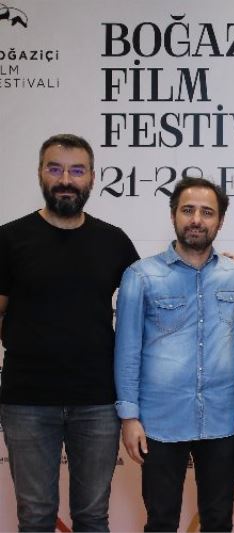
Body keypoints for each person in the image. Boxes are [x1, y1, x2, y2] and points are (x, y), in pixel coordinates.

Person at [0, 133, 139, 531]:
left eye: (77, 171)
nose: (66, 180)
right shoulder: (9, 239)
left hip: (97, 402)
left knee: (92, 517)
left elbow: (147, 308)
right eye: (55, 169)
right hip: (27, 402)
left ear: (92, 177)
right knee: (35, 516)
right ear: (40, 174)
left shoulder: (113, 241)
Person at [114, 177, 234, 532]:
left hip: (222, 419)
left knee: (219, 521)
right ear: (173, 215)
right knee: (161, 521)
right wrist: (129, 418)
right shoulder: (140, 276)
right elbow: (126, 352)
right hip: (159, 421)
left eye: (207, 212)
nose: (197, 220)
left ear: (220, 221)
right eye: (188, 210)